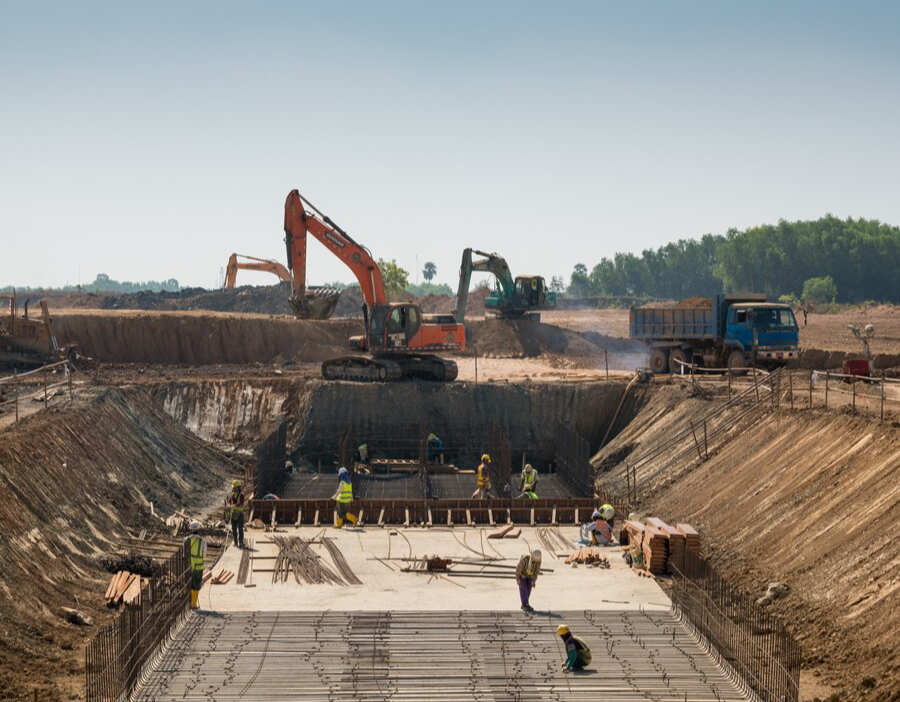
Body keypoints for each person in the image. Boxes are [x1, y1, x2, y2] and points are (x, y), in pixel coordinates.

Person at [184, 521, 207, 611]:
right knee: (196, 585)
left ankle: (190, 603)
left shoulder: (186, 540)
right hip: (198, 567)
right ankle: (194, 603)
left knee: (189, 585)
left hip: (188, 567)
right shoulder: (202, 541)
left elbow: (184, 553)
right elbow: (204, 554)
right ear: (198, 529)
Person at [226, 480, 246, 548]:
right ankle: (235, 542)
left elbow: (241, 503)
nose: (233, 488)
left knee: (240, 529)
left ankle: (241, 542)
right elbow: (228, 502)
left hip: (240, 514)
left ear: (237, 488)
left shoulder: (242, 495)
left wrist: (232, 506)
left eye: (234, 487)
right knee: (234, 528)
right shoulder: (232, 495)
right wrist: (228, 505)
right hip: (233, 514)